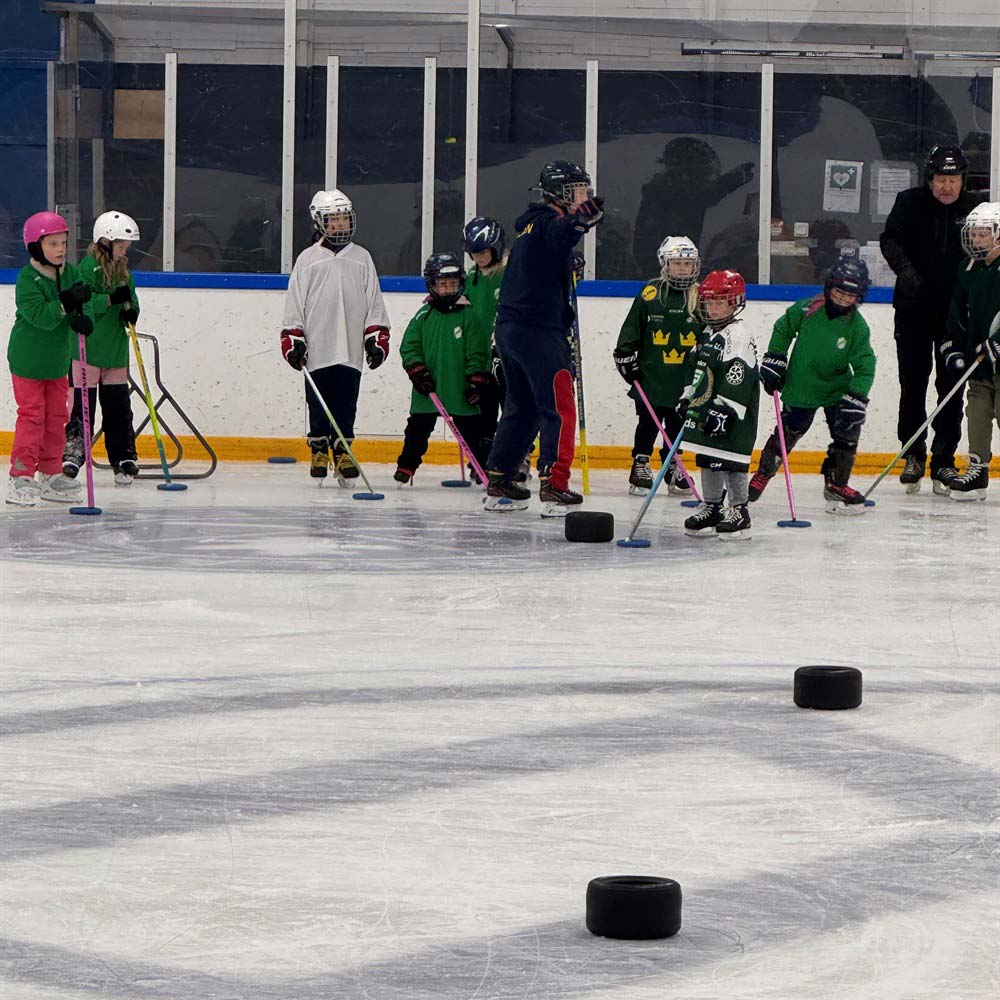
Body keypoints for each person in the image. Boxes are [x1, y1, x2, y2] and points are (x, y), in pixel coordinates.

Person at [484, 160, 604, 516]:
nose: (582, 196)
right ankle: (555, 483)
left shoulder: (529, 226)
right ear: (557, 193)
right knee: (559, 407)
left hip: (510, 328)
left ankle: (500, 477)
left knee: (522, 407)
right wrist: (578, 223)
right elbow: (562, 231)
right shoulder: (550, 222)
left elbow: (547, 254)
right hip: (538, 331)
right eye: (575, 191)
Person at [879, 144, 987, 494]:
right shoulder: (909, 202)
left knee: (951, 387)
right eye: (941, 178)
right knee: (913, 384)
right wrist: (908, 273)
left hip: (954, 317)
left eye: (953, 179)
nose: (947, 187)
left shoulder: (975, 209)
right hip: (912, 311)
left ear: (963, 180)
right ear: (930, 178)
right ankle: (913, 454)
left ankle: (943, 461)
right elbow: (889, 240)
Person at [749, 256, 876, 513]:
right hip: (801, 387)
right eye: (839, 291)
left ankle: (837, 484)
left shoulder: (857, 327)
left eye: (850, 295)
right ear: (829, 286)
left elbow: (866, 363)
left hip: (837, 391)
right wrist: (775, 358)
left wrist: (857, 396)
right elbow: (783, 328)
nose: (842, 298)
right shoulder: (807, 309)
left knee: (846, 436)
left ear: (859, 296)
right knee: (786, 435)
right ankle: (763, 474)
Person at [280, 190, 390, 485]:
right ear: (320, 223)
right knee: (318, 401)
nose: (340, 225)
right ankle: (318, 447)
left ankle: (343, 450)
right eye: (334, 220)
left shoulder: (362, 258)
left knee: (345, 400)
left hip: (350, 347)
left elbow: (374, 302)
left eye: (344, 219)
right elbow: (295, 303)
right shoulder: (307, 260)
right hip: (317, 347)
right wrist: (294, 338)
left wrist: (375, 337)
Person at [6, 212, 90, 506]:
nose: (60, 249)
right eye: (53, 243)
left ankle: (50, 472)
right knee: (32, 416)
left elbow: (83, 301)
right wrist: (67, 304)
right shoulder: (27, 279)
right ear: (35, 246)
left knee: (57, 417)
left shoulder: (71, 272)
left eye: (63, 243)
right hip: (28, 359)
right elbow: (41, 317)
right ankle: (21, 476)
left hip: (56, 361)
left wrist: (84, 316)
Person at [613, 235, 702, 496]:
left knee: (677, 423)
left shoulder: (700, 296)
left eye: (688, 264)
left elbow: (708, 334)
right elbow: (632, 328)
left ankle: (673, 463)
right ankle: (640, 462)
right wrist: (625, 356)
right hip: (651, 375)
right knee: (647, 423)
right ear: (665, 263)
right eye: (677, 263)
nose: (683, 269)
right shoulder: (650, 293)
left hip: (683, 378)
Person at [394, 253, 491, 484]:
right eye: (442, 284)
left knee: (473, 434)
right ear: (432, 284)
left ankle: (481, 469)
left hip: (460, 389)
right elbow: (409, 347)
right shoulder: (423, 316)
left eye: (452, 283)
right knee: (417, 431)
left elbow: (479, 352)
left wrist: (476, 381)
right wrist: (418, 373)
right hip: (429, 389)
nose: (448, 289)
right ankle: (407, 466)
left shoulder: (470, 317)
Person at [676, 270, 759, 540]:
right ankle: (712, 506)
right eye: (709, 303)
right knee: (708, 456)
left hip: (731, 412)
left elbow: (739, 373)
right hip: (706, 407)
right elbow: (695, 370)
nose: (713, 308)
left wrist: (725, 408)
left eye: (719, 302)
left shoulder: (738, 335)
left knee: (731, 458)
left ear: (735, 302)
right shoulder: (707, 333)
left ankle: (739, 510)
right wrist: (687, 396)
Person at [63, 210, 142, 486]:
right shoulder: (87, 267)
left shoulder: (123, 269)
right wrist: (110, 301)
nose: (123, 251)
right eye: (120, 246)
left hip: (114, 351)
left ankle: (123, 456)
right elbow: (83, 303)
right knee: (82, 407)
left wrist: (131, 312)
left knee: (119, 406)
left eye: (126, 247)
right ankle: (74, 453)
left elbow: (130, 298)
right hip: (87, 350)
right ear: (105, 242)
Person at [940, 202, 1000, 501]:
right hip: (980, 360)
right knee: (976, 410)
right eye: (973, 234)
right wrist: (953, 346)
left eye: (982, 234)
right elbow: (957, 314)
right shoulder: (967, 270)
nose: (976, 240)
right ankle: (978, 470)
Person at [633, 138, 754, 272]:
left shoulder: (677, 192)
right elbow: (698, 197)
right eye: (704, 173)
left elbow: (704, 195)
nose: (707, 180)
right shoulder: (666, 197)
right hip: (664, 276)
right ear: (687, 173)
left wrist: (733, 179)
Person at [461, 216, 507, 464]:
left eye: (483, 252)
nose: (478, 258)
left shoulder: (510, 274)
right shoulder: (471, 277)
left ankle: (515, 455)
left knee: (512, 408)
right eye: (474, 253)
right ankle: (484, 457)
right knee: (483, 410)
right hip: (481, 357)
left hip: (507, 355)